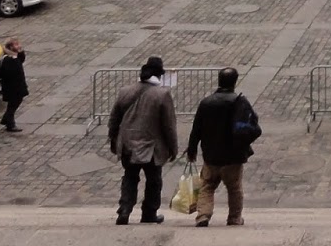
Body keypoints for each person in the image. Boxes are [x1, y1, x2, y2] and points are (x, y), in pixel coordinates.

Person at [108, 55, 179, 225]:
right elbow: (169, 125)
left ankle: (124, 210)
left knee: (130, 177)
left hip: (128, 145)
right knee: (154, 180)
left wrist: (114, 139)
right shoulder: (162, 94)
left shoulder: (125, 91)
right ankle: (149, 213)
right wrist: (173, 148)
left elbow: (114, 119)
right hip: (151, 147)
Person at [186, 67, 260, 227]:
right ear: (235, 81)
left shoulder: (206, 102)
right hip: (233, 155)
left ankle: (203, 215)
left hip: (211, 154)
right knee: (234, 188)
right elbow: (252, 126)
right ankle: (234, 218)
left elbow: (196, 129)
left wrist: (192, 149)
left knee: (207, 186)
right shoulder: (239, 102)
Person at [0, 38, 28, 133]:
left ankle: (6, 120)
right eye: (16, 45)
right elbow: (10, 72)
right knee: (13, 105)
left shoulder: (15, 56)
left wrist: (20, 52)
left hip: (17, 86)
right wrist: (14, 58)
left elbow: (21, 60)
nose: (19, 46)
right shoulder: (8, 59)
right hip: (12, 88)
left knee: (14, 104)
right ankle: (10, 124)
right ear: (11, 47)